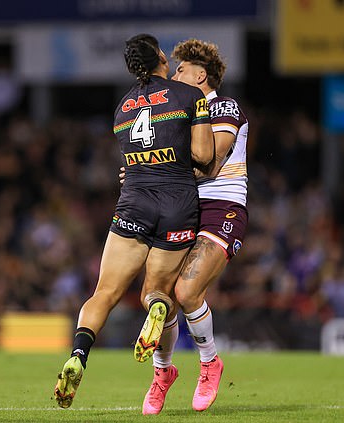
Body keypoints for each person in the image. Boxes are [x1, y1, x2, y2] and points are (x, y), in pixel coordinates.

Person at [53, 33, 214, 409]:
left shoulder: (123, 107)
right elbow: (204, 155)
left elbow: (132, 161)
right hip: (177, 202)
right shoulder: (189, 96)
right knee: (156, 292)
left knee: (104, 292)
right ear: (160, 56)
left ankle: (78, 354)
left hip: (134, 203)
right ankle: (157, 306)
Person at [138, 38, 249, 415]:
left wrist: (158, 168)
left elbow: (212, 164)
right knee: (159, 296)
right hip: (181, 206)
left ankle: (209, 362)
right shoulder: (179, 112)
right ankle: (163, 373)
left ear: (201, 74)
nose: (174, 74)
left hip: (222, 207)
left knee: (187, 291)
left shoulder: (224, 106)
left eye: (181, 69)